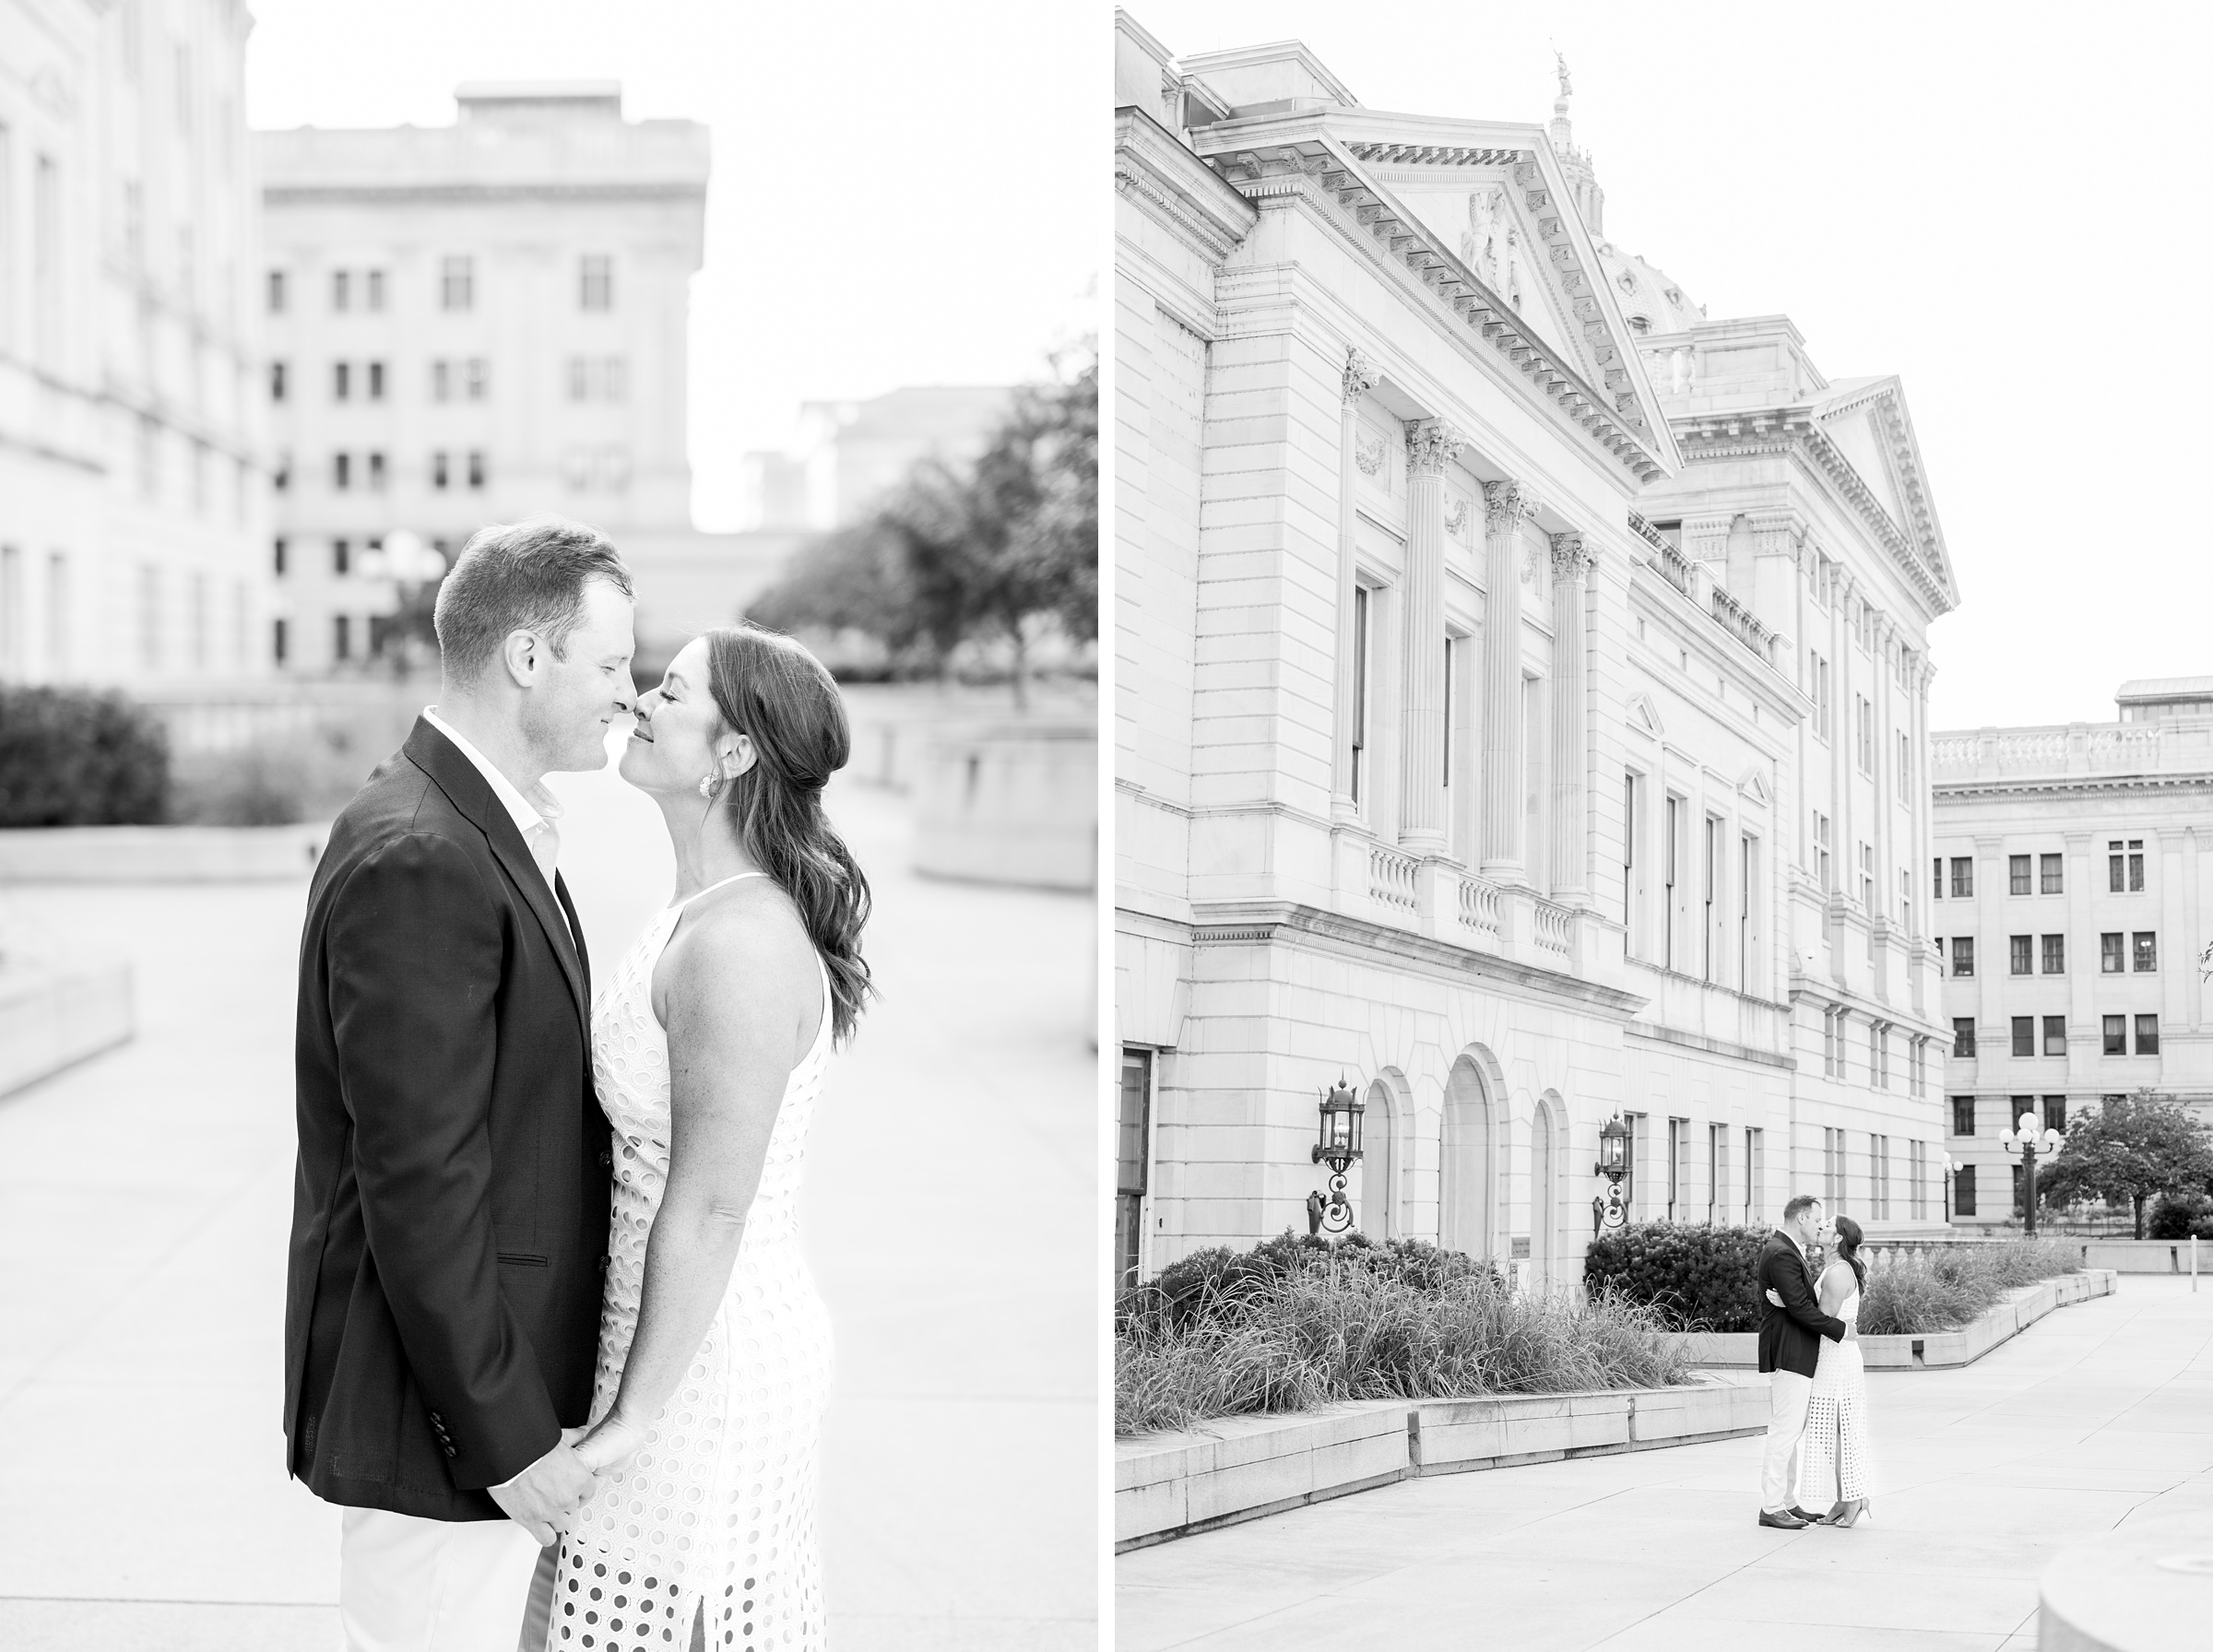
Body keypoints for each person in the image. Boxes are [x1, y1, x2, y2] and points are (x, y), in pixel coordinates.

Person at [285, 519, 638, 1649]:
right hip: (439, 1425)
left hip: (480, 1401)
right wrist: (506, 1439)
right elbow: (418, 1179)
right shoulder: (423, 853)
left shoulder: (481, 825)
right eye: (613, 663)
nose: (627, 695)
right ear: (527, 659)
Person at [535, 622, 873, 1652]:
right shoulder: (702, 907)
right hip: (663, 1344)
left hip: (703, 1370)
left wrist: (634, 1417)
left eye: (672, 693)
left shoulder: (737, 943)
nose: (641, 700)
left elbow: (714, 1201)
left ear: (733, 754)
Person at [1754, 1194, 1853, 1529]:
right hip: (1789, 1352)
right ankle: (1771, 1507)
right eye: (1815, 1220)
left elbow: (1795, 1302)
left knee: (1790, 1432)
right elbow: (1800, 1309)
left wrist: (1789, 1301)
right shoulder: (1781, 1252)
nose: (1818, 1226)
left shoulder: (1786, 1250)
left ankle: (1787, 1502)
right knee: (1784, 1432)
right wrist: (1843, 1330)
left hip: (1796, 1351)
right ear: (1800, 1218)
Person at [1774, 1214, 1876, 1526]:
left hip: (1837, 1359)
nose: (1821, 1226)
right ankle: (1845, 1499)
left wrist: (1787, 1303)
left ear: (1838, 1239)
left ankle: (1854, 1499)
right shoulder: (1836, 1268)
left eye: (1828, 1224)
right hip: (1835, 1355)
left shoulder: (1837, 1273)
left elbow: (1823, 1318)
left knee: (1839, 1432)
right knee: (1834, 1432)